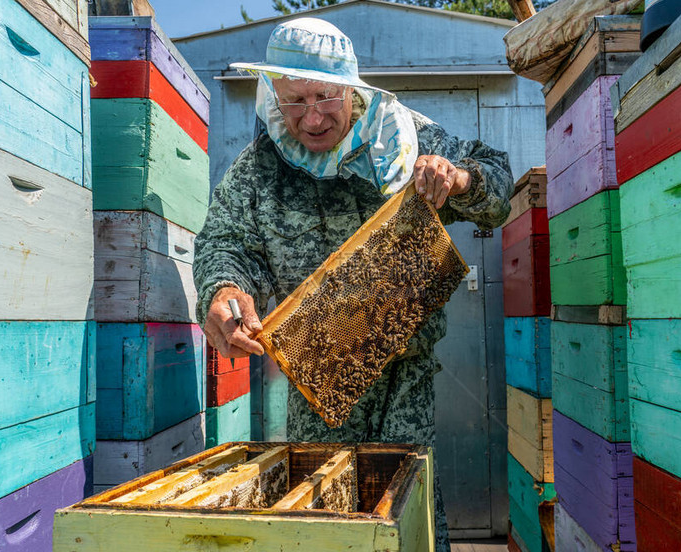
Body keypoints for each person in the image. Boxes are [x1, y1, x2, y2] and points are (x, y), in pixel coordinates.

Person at [193, 17, 513, 550]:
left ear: (351, 89)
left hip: (404, 380)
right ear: (272, 92)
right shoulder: (259, 169)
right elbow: (225, 242)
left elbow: (497, 180)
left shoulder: (402, 134)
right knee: (324, 530)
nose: (312, 117)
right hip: (313, 388)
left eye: (325, 96)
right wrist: (224, 291)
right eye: (295, 101)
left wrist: (457, 178)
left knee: (412, 524)